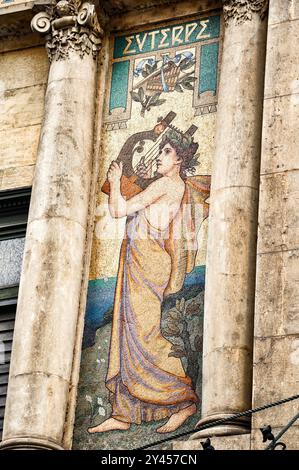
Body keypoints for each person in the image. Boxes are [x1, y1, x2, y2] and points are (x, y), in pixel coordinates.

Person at [88, 129, 204, 434]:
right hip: (137, 261)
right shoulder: (164, 184)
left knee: (145, 337)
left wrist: (115, 182)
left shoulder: (166, 185)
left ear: (180, 159)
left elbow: (118, 209)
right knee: (127, 337)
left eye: (166, 152)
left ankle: (182, 400)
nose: (159, 157)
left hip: (147, 262)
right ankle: (124, 412)